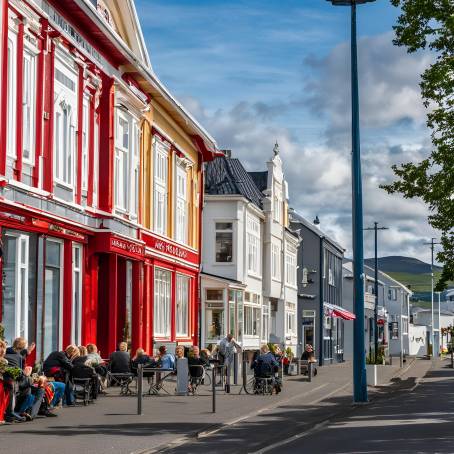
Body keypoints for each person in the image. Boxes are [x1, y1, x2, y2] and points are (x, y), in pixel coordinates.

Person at [0, 340, 10, 424]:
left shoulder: (4, 361)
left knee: (2, 398)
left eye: (1, 347)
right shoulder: (3, 361)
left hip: (2, 381)